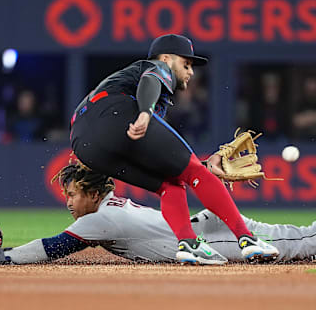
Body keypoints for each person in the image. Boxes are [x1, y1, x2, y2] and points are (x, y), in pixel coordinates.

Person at [69, 33, 279, 264]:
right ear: (167, 58)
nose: (190, 71)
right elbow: (151, 78)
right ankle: (247, 240)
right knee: (195, 172)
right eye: (186, 64)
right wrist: (145, 112)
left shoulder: (132, 84)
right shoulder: (157, 67)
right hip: (115, 113)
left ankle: (188, 244)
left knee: (171, 185)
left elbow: (167, 155)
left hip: (82, 142)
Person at [0, 162, 316, 265]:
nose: (68, 202)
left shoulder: (101, 218)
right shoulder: (107, 209)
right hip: (204, 230)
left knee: (301, 242)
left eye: (72, 194)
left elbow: (52, 247)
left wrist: (2, 257)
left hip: (214, 236)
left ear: (92, 193)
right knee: (299, 239)